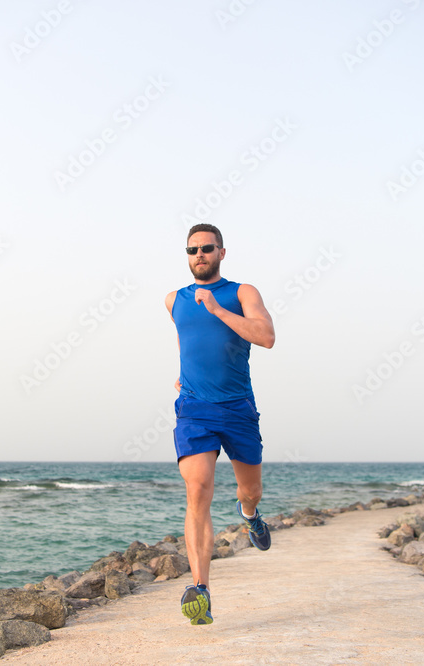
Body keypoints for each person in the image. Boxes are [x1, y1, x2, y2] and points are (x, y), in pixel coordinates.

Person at [164, 223, 276, 625]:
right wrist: (183, 373)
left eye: (207, 248)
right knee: (197, 489)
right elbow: (185, 338)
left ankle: (250, 516)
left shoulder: (242, 292)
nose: (199, 255)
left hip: (237, 408)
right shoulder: (173, 300)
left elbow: (265, 337)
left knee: (251, 490)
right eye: (192, 249)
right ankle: (202, 589)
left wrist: (216, 309)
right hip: (194, 408)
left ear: (222, 253)